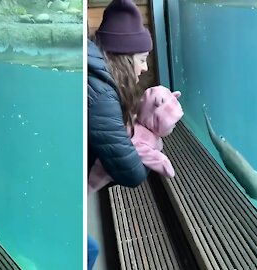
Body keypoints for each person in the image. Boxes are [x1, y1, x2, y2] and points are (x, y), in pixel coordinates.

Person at [87, 0, 154, 268]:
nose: (145, 68)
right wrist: (150, 147)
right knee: (88, 252)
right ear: (125, 58)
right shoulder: (101, 92)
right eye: (142, 59)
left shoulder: (96, 73)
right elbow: (131, 172)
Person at [88, 86, 184, 193]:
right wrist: (163, 162)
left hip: (102, 153)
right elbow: (140, 150)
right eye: (171, 123)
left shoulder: (136, 118)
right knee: (91, 184)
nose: (174, 126)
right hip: (106, 166)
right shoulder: (143, 136)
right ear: (155, 120)